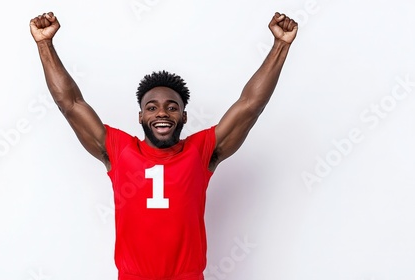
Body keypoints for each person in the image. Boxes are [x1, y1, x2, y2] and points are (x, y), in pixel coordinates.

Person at [30, 11, 298, 280]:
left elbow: (250, 106)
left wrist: (280, 45)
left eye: (172, 107)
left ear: (183, 116)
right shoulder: (118, 150)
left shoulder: (201, 151)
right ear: (140, 117)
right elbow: (71, 104)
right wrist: (45, 44)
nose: (162, 113)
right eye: (152, 107)